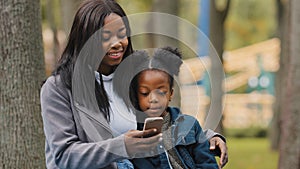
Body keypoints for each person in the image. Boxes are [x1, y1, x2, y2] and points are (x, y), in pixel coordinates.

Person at [40, 0, 228, 168]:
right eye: (106, 36)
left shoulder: (133, 75)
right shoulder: (59, 88)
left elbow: (162, 118)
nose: (118, 43)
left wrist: (209, 137)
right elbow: (64, 156)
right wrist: (122, 147)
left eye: (122, 34)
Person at [113, 47, 219, 168]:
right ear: (135, 95)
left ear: (170, 94)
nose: (153, 99)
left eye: (161, 92)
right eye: (144, 93)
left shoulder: (190, 125)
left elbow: (208, 163)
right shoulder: (133, 132)